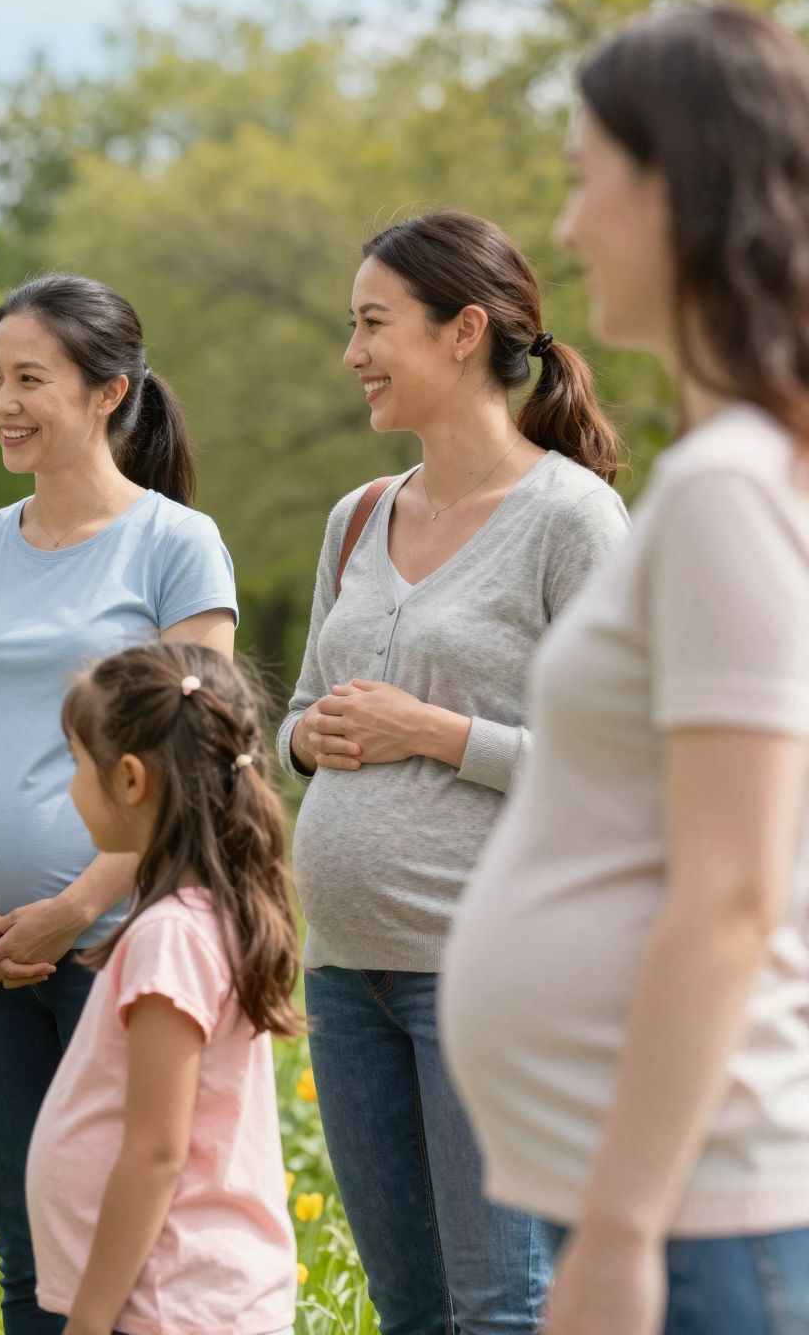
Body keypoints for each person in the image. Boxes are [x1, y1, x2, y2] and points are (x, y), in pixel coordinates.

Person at [443, 1, 809, 1335]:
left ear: (681, 190)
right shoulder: (739, 476)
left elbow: (732, 893)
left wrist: (619, 1229)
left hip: (694, 1215)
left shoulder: (729, 491)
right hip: (672, 1198)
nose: (576, 223)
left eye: (588, 175)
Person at [277, 211, 628, 1333]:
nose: (352, 355)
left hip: (488, 976)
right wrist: (308, 742)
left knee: (499, 1306)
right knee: (407, 1307)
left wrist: (432, 732)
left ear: (464, 330)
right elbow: (296, 720)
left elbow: (627, 770)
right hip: (343, 978)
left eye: (373, 325)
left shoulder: (569, 521)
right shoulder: (356, 516)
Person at [0, 272, 237, 1334]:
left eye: (29, 379)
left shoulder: (174, 546)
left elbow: (196, 763)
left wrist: (72, 907)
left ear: (107, 392)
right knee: (26, 1256)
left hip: (121, 948)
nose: (1, 401)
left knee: (130, 1250)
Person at [31, 641, 298, 1335]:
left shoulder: (171, 937)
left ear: (128, 779)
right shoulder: (211, 913)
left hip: (167, 1305)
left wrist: (89, 1320)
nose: (70, 786)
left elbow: (156, 1152)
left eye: (75, 764)